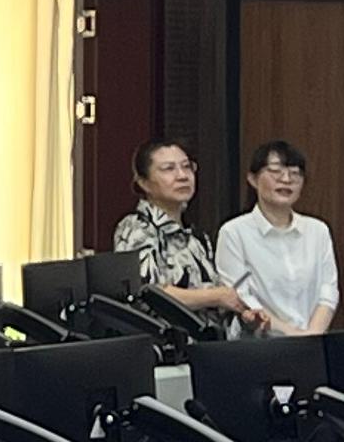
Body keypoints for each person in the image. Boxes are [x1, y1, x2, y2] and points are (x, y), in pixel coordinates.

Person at [113, 138, 263, 328]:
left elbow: (217, 298)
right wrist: (216, 296)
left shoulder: (196, 238)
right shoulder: (137, 227)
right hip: (165, 343)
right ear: (144, 183)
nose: (182, 176)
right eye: (168, 169)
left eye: (187, 167)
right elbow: (144, 294)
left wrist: (243, 312)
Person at [214, 140, 341, 338]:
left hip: (314, 342)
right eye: (275, 171)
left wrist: (312, 335)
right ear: (253, 179)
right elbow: (241, 296)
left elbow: (328, 292)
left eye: (295, 173)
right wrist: (292, 335)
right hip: (262, 346)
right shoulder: (234, 232)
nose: (286, 179)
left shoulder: (318, 231)